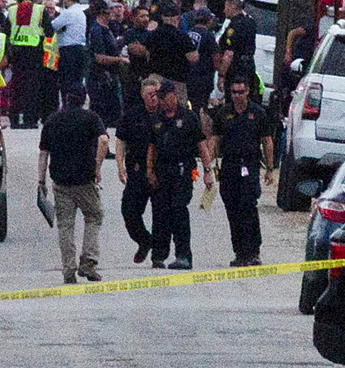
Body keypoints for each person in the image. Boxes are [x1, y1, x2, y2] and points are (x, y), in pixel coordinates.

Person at [38, 89, 108, 285]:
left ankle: (69, 269)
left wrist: (40, 181)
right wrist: (97, 166)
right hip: (85, 179)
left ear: (65, 99)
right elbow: (103, 140)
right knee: (94, 216)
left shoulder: (52, 120)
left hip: (60, 181)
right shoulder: (91, 118)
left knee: (65, 225)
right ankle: (88, 262)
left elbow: (43, 153)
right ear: (85, 99)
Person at [146, 79, 214, 270]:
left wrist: (207, 172)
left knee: (178, 211)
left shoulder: (189, 117)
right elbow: (151, 148)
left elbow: (202, 146)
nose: (161, 101)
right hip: (162, 171)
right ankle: (158, 255)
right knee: (160, 212)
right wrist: (149, 170)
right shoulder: (157, 118)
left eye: (163, 96)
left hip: (183, 170)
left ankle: (183, 255)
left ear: (173, 95)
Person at [212, 77, 274, 266]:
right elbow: (215, 139)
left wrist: (270, 168)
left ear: (247, 92)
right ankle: (239, 252)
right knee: (232, 209)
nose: (237, 96)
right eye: (234, 92)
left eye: (241, 92)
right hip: (229, 166)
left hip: (250, 165)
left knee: (248, 208)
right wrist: (212, 164)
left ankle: (253, 251)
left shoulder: (258, 113)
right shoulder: (224, 113)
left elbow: (267, 141)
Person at [116, 76, 161, 264]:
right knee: (129, 211)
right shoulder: (132, 115)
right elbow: (120, 140)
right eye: (150, 94)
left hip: (161, 170)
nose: (153, 98)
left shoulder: (166, 114)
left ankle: (159, 255)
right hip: (137, 169)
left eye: (157, 94)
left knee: (160, 214)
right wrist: (120, 165)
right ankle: (144, 240)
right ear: (142, 95)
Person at [133, 0, 198, 104]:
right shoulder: (183, 37)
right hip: (176, 83)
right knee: (174, 111)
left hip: (155, 80)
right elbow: (193, 57)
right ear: (178, 18)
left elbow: (143, 51)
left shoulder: (153, 35)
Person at [7, 0, 52, 129]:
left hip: (17, 53)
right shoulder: (39, 10)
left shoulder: (12, 10)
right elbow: (49, 31)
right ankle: (30, 119)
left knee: (17, 86)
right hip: (34, 52)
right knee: (32, 87)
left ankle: (14, 119)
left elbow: (7, 32)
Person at [87, 0, 126, 127]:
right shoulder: (97, 31)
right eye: (110, 10)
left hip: (110, 78)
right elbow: (100, 57)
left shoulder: (107, 28)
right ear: (103, 12)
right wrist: (120, 59)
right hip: (101, 78)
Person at [50, 0, 88, 100]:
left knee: (66, 81)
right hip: (79, 49)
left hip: (68, 51)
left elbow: (53, 26)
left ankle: (67, 104)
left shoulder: (69, 13)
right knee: (76, 80)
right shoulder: (80, 13)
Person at [218, 0, 258, 93]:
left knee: (233, 99)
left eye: (226, 7)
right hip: (249, 68)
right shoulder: (251, 22)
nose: (224, 11)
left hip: (235, 70)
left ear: (233, 7)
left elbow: (229, 53)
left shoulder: (234, 26)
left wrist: (221, 75)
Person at [119, 7, 152, 113]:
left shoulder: (151, 35)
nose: (146, 19)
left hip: (147, 77)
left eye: (147, 16)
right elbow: (136, 50)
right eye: (142, 16)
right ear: (133, 18)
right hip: (131, 78)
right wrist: (146, 50)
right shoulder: (130, 34)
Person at [186, 8, 219, 114]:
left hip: (188, 76)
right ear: (208, 20)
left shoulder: (188, 32)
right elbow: (216, 56)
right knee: (200, 108)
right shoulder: (209, 36)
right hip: (203, 79)